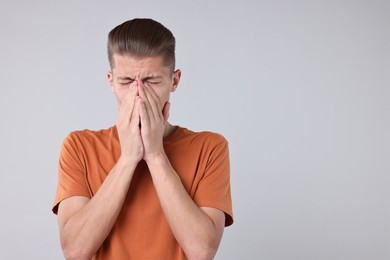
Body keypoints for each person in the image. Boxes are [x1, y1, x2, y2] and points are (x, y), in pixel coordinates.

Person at [52, 18, 233, 260]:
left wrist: (156, 154)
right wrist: (128, 158)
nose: (138, 94)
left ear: (174, 80)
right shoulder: (79, 146)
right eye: (126, 82)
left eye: (151, 81)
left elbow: (202, 251)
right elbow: (75, 251)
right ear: (111, 82)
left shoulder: (210, 148)